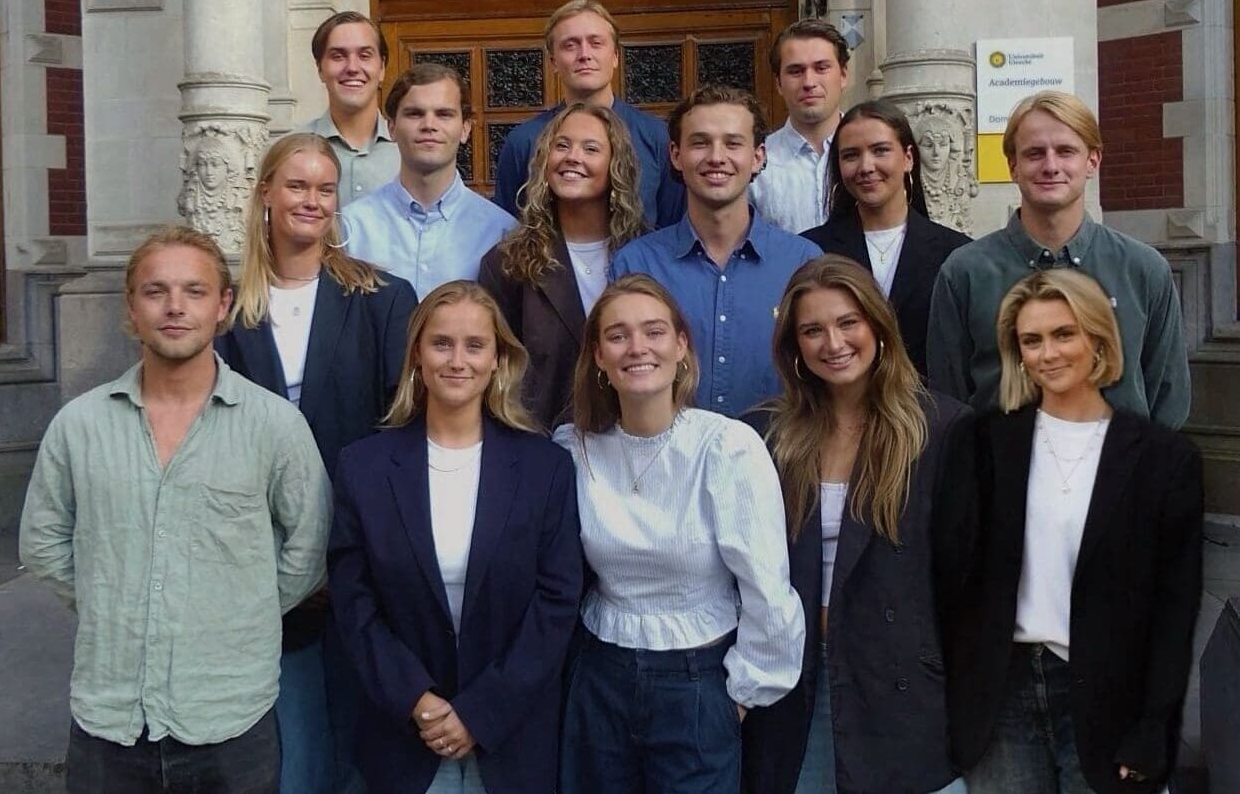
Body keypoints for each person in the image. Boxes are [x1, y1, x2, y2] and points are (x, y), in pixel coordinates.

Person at [19, 226, 332, 794]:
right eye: (155, 291)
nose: (175, 307)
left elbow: (309, 546)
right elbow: (43, 542)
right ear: (131, 307)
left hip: (230, 718)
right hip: (109, 720)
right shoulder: (79, 426)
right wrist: (110, 599)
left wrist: (241, 609)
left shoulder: (274, 426)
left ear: (223, 305)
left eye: (194, 291)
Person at [215, 132, 418, 794]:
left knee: (368, 744)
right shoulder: (225, 310)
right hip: (262, 561)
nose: (311, 200)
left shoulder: (383, 298)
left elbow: (403, 429)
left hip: (364, 553)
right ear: (265, 195)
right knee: (295, 751)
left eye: (324, 189)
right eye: (296, 185)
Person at [948, 270, 1203, 794]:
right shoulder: (983, 444)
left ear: (1098, 339)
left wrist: (1156, 726)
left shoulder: (1164, 458)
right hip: (1002, 697)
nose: (1048, 353)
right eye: (1031, 341)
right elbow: (951, 578)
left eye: (1064, 334)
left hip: (1110, 697)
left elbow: (1174, 610)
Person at [553, 274, 805, 793]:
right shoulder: (573, 450)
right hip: (599, 676)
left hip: (698, 680)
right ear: (598, 356)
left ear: (681, 345)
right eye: (618, 335)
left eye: (654, 332)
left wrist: (741, 694)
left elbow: (767, 586)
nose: (637, 347)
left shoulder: (726, 447)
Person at [329, 282, 583, 794]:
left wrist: (480, 713)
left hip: (512, 741)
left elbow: (557, 602)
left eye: (475, 345)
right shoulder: (363, 467)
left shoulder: (546, 468)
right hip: (404, 738)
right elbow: (354, 601)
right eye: (442, 343)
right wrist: (415, 699)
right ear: (417, 357)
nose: (458, 360)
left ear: (498, 360)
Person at [742, 255, 974, 794]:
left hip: (902, 680)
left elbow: (967, 578)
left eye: (848, 322)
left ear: (878, 325)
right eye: (812, 330)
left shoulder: (941, 428)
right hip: (794, 679)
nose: (834, 343)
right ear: (793, 345)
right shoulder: (763, 435)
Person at [927, 92, 1191, 428]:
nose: (1051, 166)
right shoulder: (964, 273)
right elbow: (949, 399)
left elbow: (1168, 398)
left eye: (1066, 151)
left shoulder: (1143, 270)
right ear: (1013, 166)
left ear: (1092, 161)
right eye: (1034, 153)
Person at [610, 85, 821, 417]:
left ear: (758, 157)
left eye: (733, 143)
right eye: (700, 143)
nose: (716, 157)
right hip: (669, 448)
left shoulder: (803, 263)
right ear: (676, 155)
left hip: (781, 448)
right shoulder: (636, 264)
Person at [478, 102, 646, 430]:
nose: (572, 157)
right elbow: (494, 371)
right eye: (562, 146)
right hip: (540, 441)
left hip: (634, 437)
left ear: (616, 164)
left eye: (591, 149)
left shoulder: (647, 255)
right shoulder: (506, 264)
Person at [804, 99, 970, 377]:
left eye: (880, 150)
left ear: (908, 157)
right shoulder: (811, 251)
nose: (866, 166)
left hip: (928, 401)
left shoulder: (956, 253)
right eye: (851, 155)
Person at [492, 0, 684, 227]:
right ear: (553, 61)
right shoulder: (523, 141)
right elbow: (507, 228)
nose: (584, 54)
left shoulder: (658, 137)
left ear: (615, 56)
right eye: (570, 45)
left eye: (596, 43)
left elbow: (674, 229)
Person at [343, 63, 516, 298]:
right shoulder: (352, 228)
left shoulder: (502, 234)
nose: (429, 126)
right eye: (415, 114)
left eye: (444, 114)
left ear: (465, 129)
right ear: (391, 127)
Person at [749, 19, 850, 233]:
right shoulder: (755, 164)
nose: (809, 82)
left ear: (843, 75)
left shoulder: (875, 158)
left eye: (821, 68)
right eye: (796, 71)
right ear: (778, 83)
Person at [300, 11, 400, 206]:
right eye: (338, 56)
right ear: (320, 69)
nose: (352, 68)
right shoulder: (288, 151)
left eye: (365, 55)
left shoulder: (411, 151)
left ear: (382, 68)